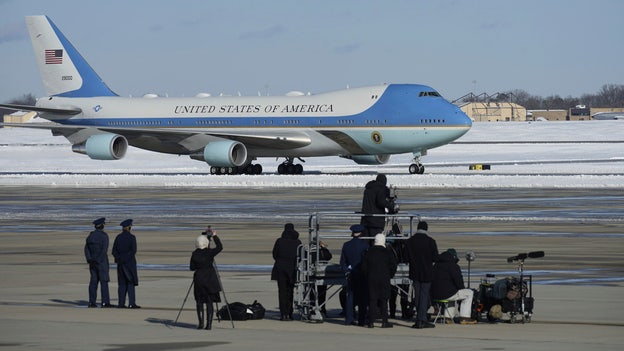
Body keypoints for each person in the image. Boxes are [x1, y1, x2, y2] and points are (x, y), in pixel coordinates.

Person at [405, 220, 438, 328]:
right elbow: (435, 258)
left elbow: (405, 257)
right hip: (427, 272)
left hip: (414, 272)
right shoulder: (430, 241)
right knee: (423, 296)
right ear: (426, 229)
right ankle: (421, 319)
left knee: (418, 296)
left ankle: (420, 318)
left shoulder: (410, 241)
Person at [432, 248, 477, 324]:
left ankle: (448, 317)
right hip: (447, 294)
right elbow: (459, 283)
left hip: (434, 294)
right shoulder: (453, 266)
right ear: (454, 257)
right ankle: (465, 317)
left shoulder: (436, 265)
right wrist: (462, 288)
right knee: (469, 293)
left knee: (451, 294)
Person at [361, 233, 397, 328]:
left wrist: (367, 276)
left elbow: (364, 267)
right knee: (384, 300)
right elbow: (393, 266)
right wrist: (390, 275)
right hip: (384, 278)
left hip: (372, 278)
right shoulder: (388, 252)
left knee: (372, 300)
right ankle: (384, 321)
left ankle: (371, 322)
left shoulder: (369, 252)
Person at [190, 227, 223, 330]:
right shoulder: (209, 253)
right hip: (210, 279)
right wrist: (215, 236)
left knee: (199, 302)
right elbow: (220, 247)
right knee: (209, 302)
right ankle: (209, 325)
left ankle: (200, 324)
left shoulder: (194, 254)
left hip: (199, 279)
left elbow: (192, 268)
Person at [339, 224, 369, 326]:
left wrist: (346, 271)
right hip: (361, 273)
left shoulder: (346, 245)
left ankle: (349, 319)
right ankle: (361, 320)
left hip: (350, 273)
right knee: (362, 298)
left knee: (350, 297)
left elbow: (342, 262)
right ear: (361, 233)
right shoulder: (365, 245)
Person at [271, 223, 302, 321]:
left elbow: (274, 254)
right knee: (290, 291)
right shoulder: (297, 242)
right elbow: (301, 256)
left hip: (280, 268)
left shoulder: (279, 241)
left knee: (282, 291)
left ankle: (283, 314)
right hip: (292, 268)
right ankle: (290, 313)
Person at [84, 217, 112, 308]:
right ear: (102, 226)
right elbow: (104, 250)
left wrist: (89, 259)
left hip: (92, 262)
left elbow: (86, 249)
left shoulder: (91, 236)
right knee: (103, 282)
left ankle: (92, 302)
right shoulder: (104, 236)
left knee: (93, 282)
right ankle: (105, 302)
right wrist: (98, 260)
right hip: (101, 262)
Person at [112, 219, 140, 309]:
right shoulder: (132, 238)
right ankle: (131, 303)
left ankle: (121, 303)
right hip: (129, 263)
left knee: (122, 284)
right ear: (129, 227)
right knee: (130, 283)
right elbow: (133, 251)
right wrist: (125, 259)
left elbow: (114, 251)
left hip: (120, 263)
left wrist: (120, 259)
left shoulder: (118, 237)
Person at [309, 239, 332, 316]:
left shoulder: (310, 250)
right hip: (322, 274)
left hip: (313, 274)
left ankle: (313, 308)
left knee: (312, 292)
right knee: (322, 293)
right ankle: (322, 308)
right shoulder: (322, 251)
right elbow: (329, 257)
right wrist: (324, 248)